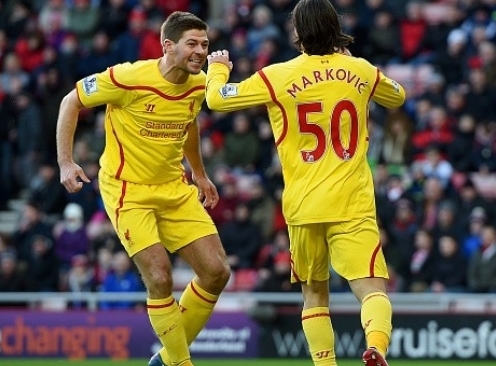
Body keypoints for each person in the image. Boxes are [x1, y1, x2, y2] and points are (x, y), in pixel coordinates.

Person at [205, 0, 406, 365]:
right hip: (352, 202)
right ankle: (376, 346)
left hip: (303, 204)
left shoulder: (277, 75)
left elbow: (217, 99)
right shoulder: (359, 70)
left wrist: (217, 68)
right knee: (371, 288)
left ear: (297, 33)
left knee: (314, 296)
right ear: (335, 27)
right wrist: (352, 63)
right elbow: (397, 95)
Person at [56, 11, 231, 366]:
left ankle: (166, 359)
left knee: (217, 272)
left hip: (173, 187)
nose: (201, 51)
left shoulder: (199, 85)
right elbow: (71, 101)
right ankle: (181, 363)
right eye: (192, 44)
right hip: (128, 190)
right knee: (160, 277)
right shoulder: (128, 77)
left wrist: (199, 172)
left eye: (205, 44)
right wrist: (65, 161)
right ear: (168, 46)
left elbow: (190, 121)